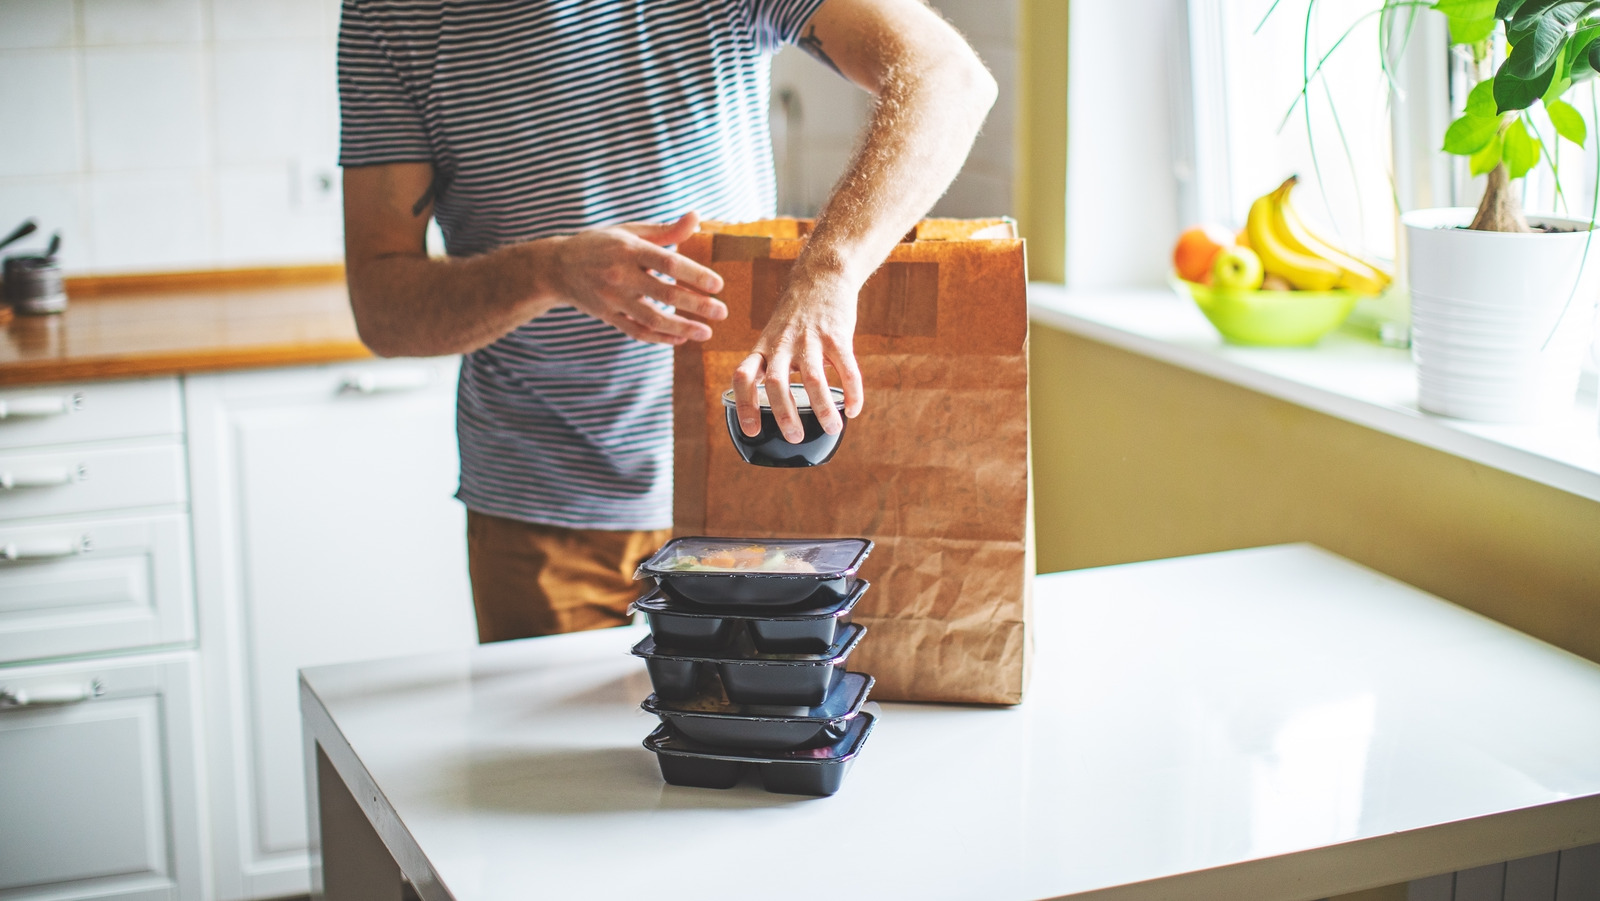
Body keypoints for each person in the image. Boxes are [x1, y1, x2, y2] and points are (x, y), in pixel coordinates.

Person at [337, 0, 995, 643]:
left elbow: (949, 77)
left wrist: (830, 271)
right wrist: (549, 270)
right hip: (540, 511)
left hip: (748, 486)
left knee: (754, 736)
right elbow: (383, 308)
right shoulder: (392, 13)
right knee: (555, 757)